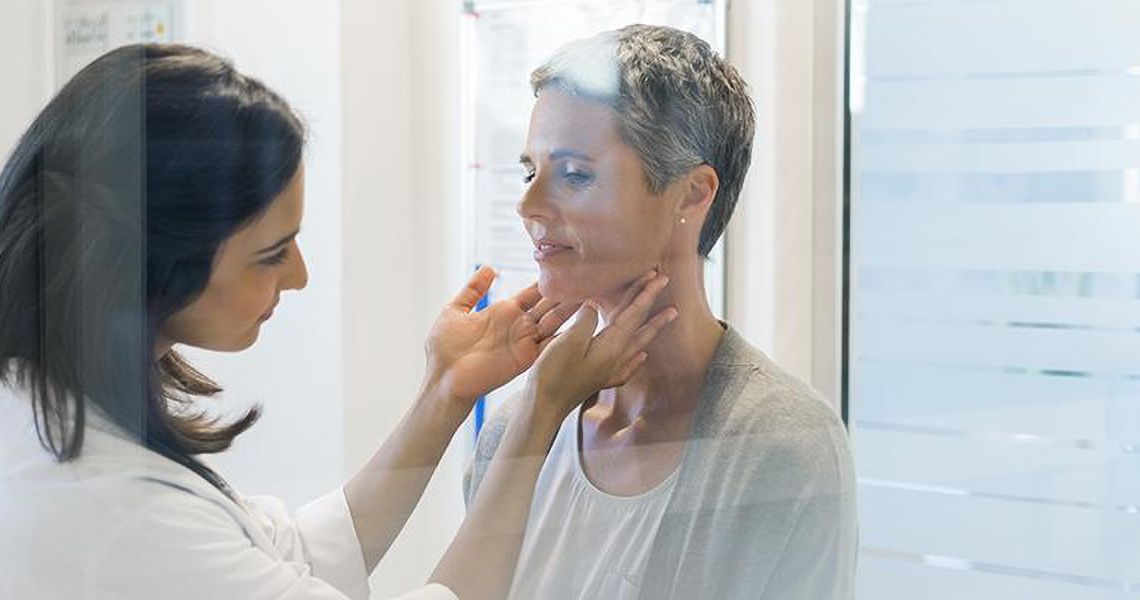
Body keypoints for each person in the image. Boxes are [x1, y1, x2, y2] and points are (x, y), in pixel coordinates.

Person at [0, 44, 678, 600]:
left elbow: (288, 559)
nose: (298, 276)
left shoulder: (48, 407)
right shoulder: (110, 509)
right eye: (269, 254)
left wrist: (447, 392)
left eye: (575, 173)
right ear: (147, 262)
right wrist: (539, 411)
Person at [465, 25, 858, 599]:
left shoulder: (782, 444)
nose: (528, 205)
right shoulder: (512, 431)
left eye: (575, 173)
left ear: (692, 194)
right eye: (531, 172)